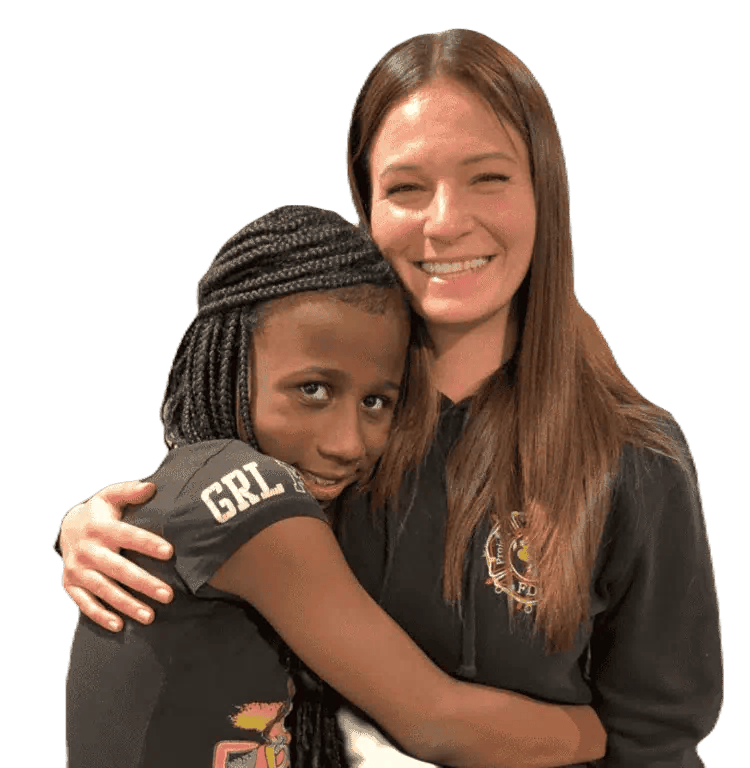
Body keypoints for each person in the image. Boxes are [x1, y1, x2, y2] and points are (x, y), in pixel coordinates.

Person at [57, 29, 723, 767]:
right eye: (407, 187)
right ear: (365, 206)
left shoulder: (637, 458)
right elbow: (212, 511)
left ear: (546, 193)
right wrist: (100, 525)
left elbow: (656, 735)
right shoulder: (331, 437)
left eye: (489, 178)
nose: (446, 221)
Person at [63, 203, 606, 768]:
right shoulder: (253, 494)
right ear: (229, 363)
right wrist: (605, 730)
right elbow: (436, 720)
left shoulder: (201, 483)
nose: (348, 442)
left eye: (376, 402)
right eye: (313, 391)